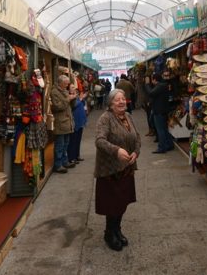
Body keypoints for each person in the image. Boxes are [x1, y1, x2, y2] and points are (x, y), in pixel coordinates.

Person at [95, 89, 141, 251]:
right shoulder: (105, 118)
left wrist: (136, 152)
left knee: (122, 202)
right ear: (110, 104)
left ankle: (117, 230)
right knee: (112, 204)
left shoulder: (128, 116)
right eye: (117, 99)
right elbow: (99, 141)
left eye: (123, 98)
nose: (121, 102)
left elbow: (137, 137)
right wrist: (117, 151)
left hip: (126, 169)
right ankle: (109, 233)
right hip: (110, 170)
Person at [50, 74, 77, 173]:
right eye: (65, 84)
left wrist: (73, 97)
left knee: (65, 144)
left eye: (67, 84)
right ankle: (58, 165)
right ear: (60, 83)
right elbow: (57, 107)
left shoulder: (64, 91)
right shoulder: (54, 92)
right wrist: (68, 99)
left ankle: (64, 162)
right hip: (60, 122)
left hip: (67, 122)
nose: (67, 86)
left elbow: (71, 106)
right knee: (60, 145)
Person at [145, 73, 174, 153]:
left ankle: (162, 147)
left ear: (155, 79)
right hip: (163, 110)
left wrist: (147, 84)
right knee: (164, 129)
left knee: (160, 130)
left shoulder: (160, 86)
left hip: (159, 111)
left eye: (152, 79)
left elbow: (151, 93)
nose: (151, 81)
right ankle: (169, 145)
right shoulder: (163, 85)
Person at [67, 84, 87, 164]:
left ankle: (77, 155)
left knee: (78, 140)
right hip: (74, 121)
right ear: (68, 89)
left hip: (80, 120)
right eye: (72, 87)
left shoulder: (76, 96)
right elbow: (73, 106)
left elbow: (82, 105)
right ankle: (72, 157)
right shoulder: (69, 97)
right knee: (73, 140)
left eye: (74, 87)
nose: (74, 88)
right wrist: (81, 98)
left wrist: (82, 99)